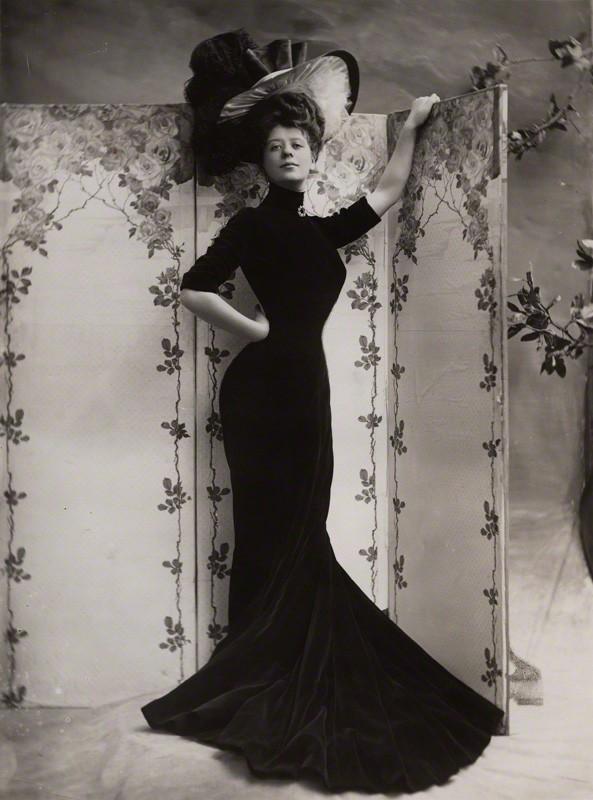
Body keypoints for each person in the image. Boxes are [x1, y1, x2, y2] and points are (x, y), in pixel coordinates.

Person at [140, 31, 504, 793]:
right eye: (276, 147)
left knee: (303, 525)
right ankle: (256, 671)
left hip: (306, 388)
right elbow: (195, 288)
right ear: (262, 158)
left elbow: (388, 192)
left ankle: (277, 662)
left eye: (298, 145)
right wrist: (256, 331)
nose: (288, 154)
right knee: (267, 530)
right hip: (259, 393)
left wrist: (411, 128)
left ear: (312, 155)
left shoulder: (320, 229)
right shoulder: (250, 225)